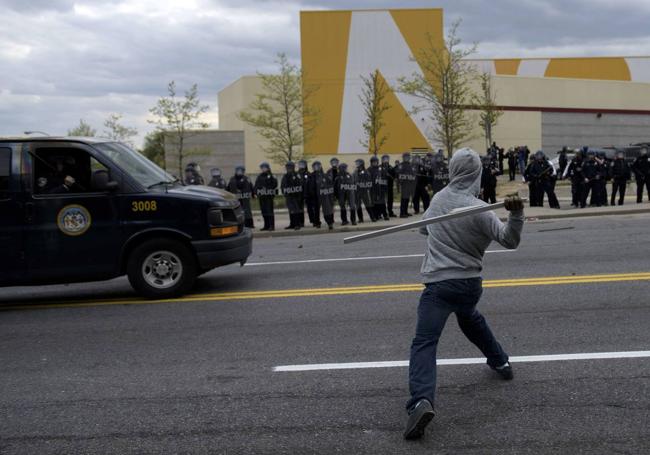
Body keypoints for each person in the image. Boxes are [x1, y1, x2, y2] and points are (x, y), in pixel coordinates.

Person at [404, 148, 524, 440]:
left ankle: (421, 401)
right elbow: (509, 241)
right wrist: (516, 214)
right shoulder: (480, 210)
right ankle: (501, 362)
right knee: (469, 317)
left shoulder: (439, 200)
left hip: (440, 286)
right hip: (469, 285)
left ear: (453, 170)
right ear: (477, 174)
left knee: (424, 343)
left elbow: (424, 232)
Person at [253, 162, 278, 231]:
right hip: (262, 197)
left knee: (269, 211)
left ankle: (271, 226)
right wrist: (255, 192)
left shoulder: (271, 176)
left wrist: (267, 188)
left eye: (265, 168)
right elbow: (256, 185)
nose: (263, 169)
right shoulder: (260, 176)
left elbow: (274, 184)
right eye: (262, 168)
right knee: (264, 211)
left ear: (268, 168)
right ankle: (266, 226)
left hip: (269, 197)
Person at [312, 161, 335, 230]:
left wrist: (331, 194)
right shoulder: (312, 176)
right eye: (315, 166)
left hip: (324, 195)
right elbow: (309, 186)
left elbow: (330, 184)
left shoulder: (325, 175)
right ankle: (317, 223)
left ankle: (330, 223)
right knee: (316, 211)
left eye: (318, 166)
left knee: (327, 209)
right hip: (315, 196)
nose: (317, 168)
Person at [281, 161, 303, 230]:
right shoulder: (285, 176)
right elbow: (283, 185)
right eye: (287, 167)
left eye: (290, 167)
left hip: (296, 196)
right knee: (291, 210)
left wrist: (298, 194)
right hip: (289, 196)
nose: (288, 168)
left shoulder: (297, 175)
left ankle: (297, 224)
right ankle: (292, 224)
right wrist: (284, 192)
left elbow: (300, 185)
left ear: (293, 167)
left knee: (296, 210)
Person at [368, 156, 389, 221]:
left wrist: (385, 187)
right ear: (371, 163)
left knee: (382, 203)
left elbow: (384, 177)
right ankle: (376, 215)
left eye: (376, 162)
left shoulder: (381, 169)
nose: (375, 163)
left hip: (380, 188)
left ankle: (385, 215)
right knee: (375, 203)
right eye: (373, 162)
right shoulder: (369, 170)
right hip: (373, 189)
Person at [397, 152, 417, 218]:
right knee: (404, 199)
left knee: (407, 199)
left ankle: (405, 211)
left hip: (409, 185)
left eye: (408, 157)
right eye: (405, 157)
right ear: (403, 158)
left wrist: (413, 176)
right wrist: (403, 179)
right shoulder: (401, 165)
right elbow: (399, 174)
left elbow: (413, 173)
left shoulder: (411, 165)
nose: (407, 158)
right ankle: (402, 213)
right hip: (404, 184)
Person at [297, 160, 311, 227]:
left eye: (303, 164)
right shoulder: (297, 174)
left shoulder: (308, 174)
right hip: (299, 194)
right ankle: (301, 222)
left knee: (310, 208)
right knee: (300, 209)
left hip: (307, 193)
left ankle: (313, 221)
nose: (301, 166)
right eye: (300, 164)